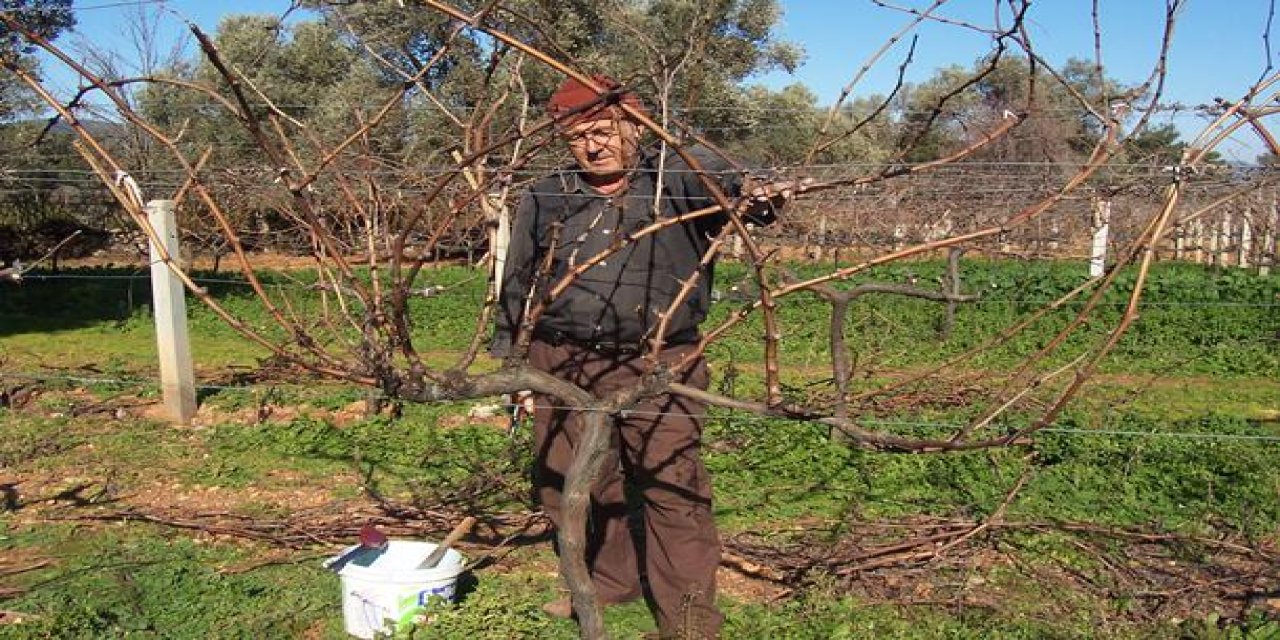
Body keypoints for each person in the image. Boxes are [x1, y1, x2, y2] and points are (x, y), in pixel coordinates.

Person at [491, 74, 797, 639]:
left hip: (659, 365)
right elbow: (520, 279)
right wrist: (513, 358)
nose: (594, 145)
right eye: (578, 135)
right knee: (569, 480)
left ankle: (687, 622)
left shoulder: (676, 179)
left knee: (671, 488)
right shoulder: (546, 192)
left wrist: (758, 195)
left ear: (637, 127)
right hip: (561, 360)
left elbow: (741, 196)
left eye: (605, 130)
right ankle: (609, 583)